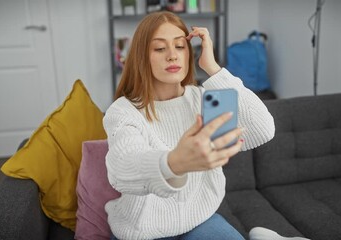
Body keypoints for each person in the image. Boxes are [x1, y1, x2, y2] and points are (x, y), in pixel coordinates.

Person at [103, 11, 276, 240]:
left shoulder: (204, 99)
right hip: (143, 229)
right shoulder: (124, 110)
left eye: (180, 46)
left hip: (199, 219)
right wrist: (174, 163)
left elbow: (263, 129)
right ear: (142, 57)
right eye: (160, 48)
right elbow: (121, 168)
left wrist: (213, 68)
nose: (172, 55)